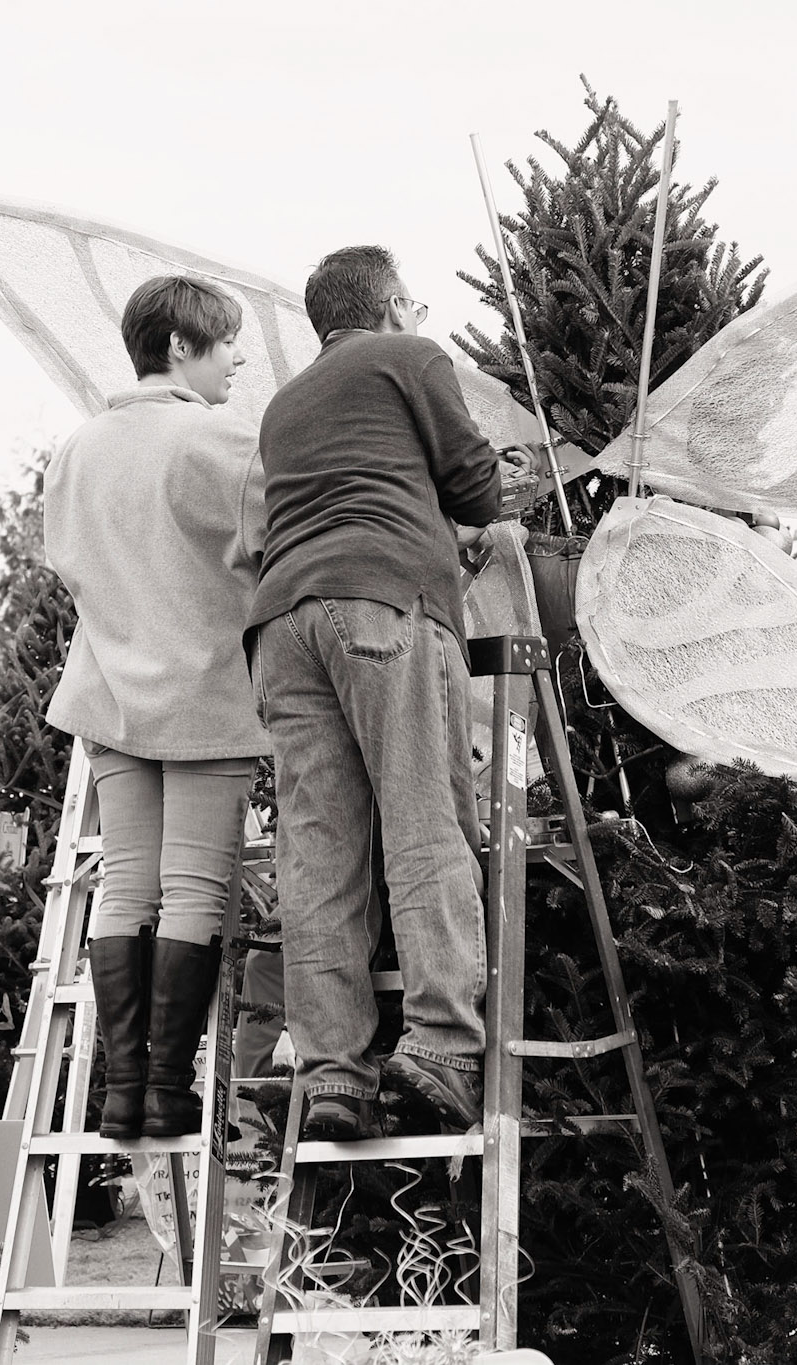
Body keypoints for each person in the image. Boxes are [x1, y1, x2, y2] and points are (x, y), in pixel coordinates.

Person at [251, 244, 514, 1141]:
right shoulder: (411, 356)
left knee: (319, 851)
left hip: (283, 627)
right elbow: (477, 488)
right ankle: (442, 1043)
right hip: (382, 601)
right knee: (424, 817)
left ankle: (333, 1073)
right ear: (395, 304)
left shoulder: (285, 404)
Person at [43, 274, 269, 1140]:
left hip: (107, 687)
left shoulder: (77, 447)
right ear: (181, 345)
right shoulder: (223, 440)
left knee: (126, 883)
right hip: (204, 688)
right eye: (227, 342)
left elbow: (65, 562)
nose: (238, 358)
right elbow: (278, 545)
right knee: (193, 887)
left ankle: (122, 1091)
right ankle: (171, 1089)